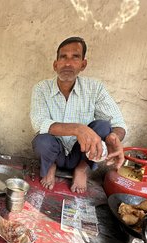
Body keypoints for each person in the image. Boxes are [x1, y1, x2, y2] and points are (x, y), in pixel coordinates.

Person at [30, 36, 127, 193]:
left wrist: (113, 137)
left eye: (75, 57)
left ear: (83, 64)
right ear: (55, 65)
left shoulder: (95, 88)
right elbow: (39, 123)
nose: (68, 63)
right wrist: (77, 129)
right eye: (63, 57)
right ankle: (50, 166)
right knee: (42, 140)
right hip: (55, 152)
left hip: (81, 153)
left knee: (103, 126)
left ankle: (81, 170)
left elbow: (118, 123)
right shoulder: (41, 88)